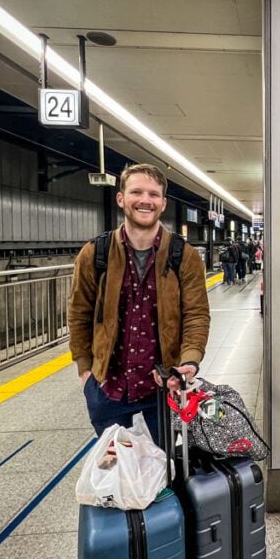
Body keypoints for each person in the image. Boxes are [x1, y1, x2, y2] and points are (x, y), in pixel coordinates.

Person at [68, 163, 210, 439]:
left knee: (162, 473)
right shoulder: (95, 253)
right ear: (121, 198)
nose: (145, 200)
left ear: (163, 204)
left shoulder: (184, 255)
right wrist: (86, 371)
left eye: (153, 195)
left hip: (163, 388)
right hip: (107, 387)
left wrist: (190, 361)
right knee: (115, 471)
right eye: (137, 192)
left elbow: (196, 315)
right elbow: (78, 313)